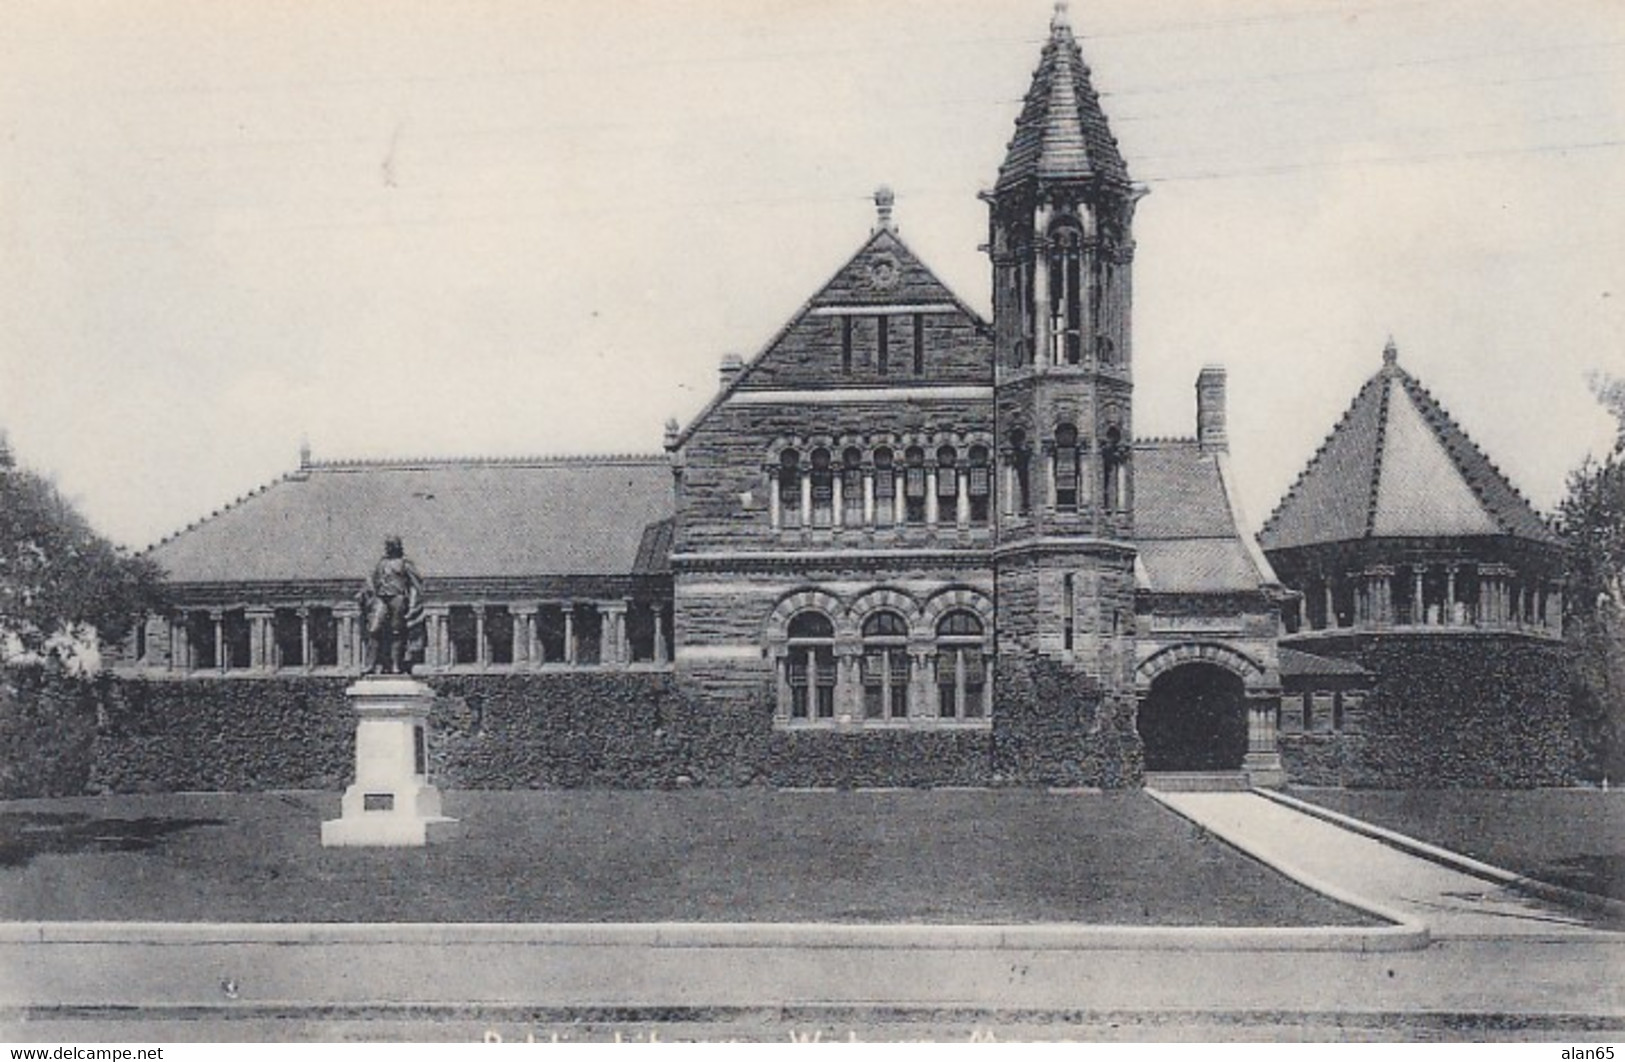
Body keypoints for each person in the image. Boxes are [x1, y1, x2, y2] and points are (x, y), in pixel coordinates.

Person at [360, 535, 425, 675]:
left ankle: (396, 664)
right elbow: (371, 580)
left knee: (397, 631)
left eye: (390, 545)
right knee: (374, 629)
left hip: (398, 597)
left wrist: (413, 606)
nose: (387, 548)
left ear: (397, 546)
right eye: (386, 545)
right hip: (382, 598)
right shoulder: (381, 563)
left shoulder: (405, 563)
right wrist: (369, 591)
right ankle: (370, 664)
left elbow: (415, 585)